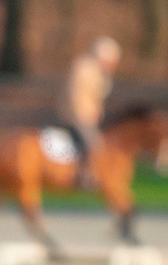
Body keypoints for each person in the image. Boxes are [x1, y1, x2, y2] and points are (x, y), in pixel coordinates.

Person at [58, 36, 121, 187]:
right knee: (94, 143)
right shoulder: (84, 68)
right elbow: (76, 94)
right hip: (78, 115)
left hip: (87, 115)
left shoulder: (97, 71)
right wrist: (84, 114)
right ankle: (85, 175)